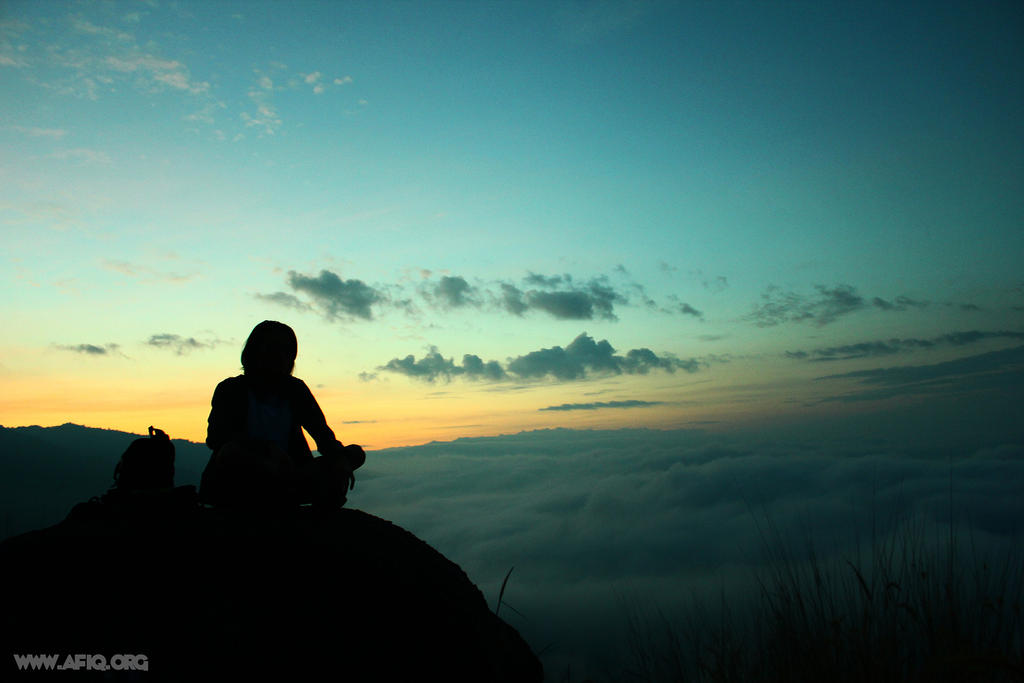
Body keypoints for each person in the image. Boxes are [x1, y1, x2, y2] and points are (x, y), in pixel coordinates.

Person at [200, 320, 365, 508]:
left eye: (285, 350)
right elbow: (216, 439)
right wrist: (266, 450)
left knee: (355, 453)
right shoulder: (231, 389)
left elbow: (323, 436)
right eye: (271, 348)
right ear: (254, 353)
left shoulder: (296, 390)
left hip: (291, 474)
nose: (278, 356)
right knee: (232, 452)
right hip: (243, 477)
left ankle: (311, 497)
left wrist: (340, 459)